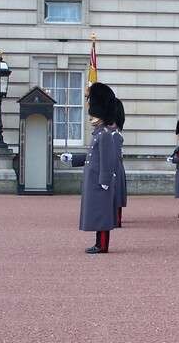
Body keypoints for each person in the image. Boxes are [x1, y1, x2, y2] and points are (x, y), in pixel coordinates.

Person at [60, 82, 118, 254]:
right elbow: (92, 157)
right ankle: (98, 243)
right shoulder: (99, 133)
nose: (91, 117)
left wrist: (105, 181)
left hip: (100, 181)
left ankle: (102, 245)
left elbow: (107, 160)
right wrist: (72, 159)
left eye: (94, 115)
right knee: (97, 213)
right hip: (94, 180)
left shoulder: (105, 135)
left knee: (102, 214)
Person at [109, 99, 127, 227]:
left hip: (114, 169)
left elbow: (113, 157)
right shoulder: (114, 134)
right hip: (116, 168)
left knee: (115, 197)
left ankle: (116, 220)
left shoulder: (114, 136)